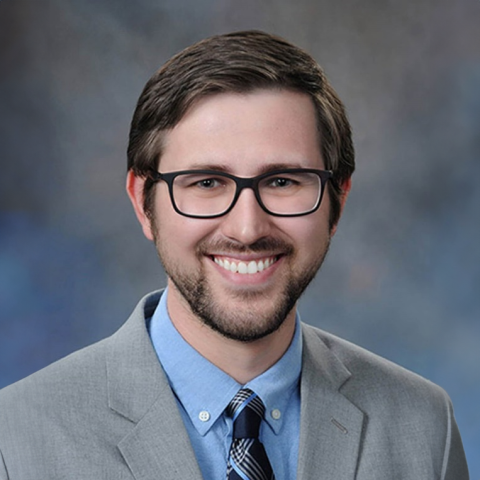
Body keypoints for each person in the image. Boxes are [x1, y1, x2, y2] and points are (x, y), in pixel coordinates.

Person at [0, 30, 469, 480]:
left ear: (337, 201)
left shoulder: (425, 426)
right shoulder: (15, 438)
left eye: (283, 181)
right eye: (207, 183)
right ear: (143, 203)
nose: (247, 229)